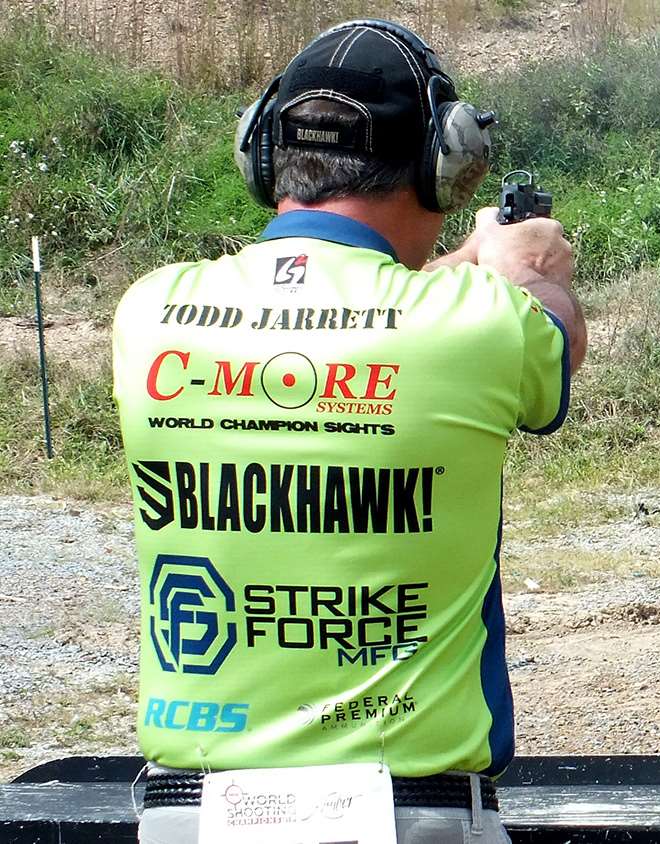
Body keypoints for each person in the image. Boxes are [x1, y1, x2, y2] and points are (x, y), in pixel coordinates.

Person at [111, 18, 586, 844]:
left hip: (188, 815)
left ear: (262, 152)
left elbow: (331, 330)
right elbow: (555, 337)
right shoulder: (481, 321)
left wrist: (468, 266)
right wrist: (515, 263)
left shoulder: (149, 311)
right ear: (444, 160)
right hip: (407, 817)